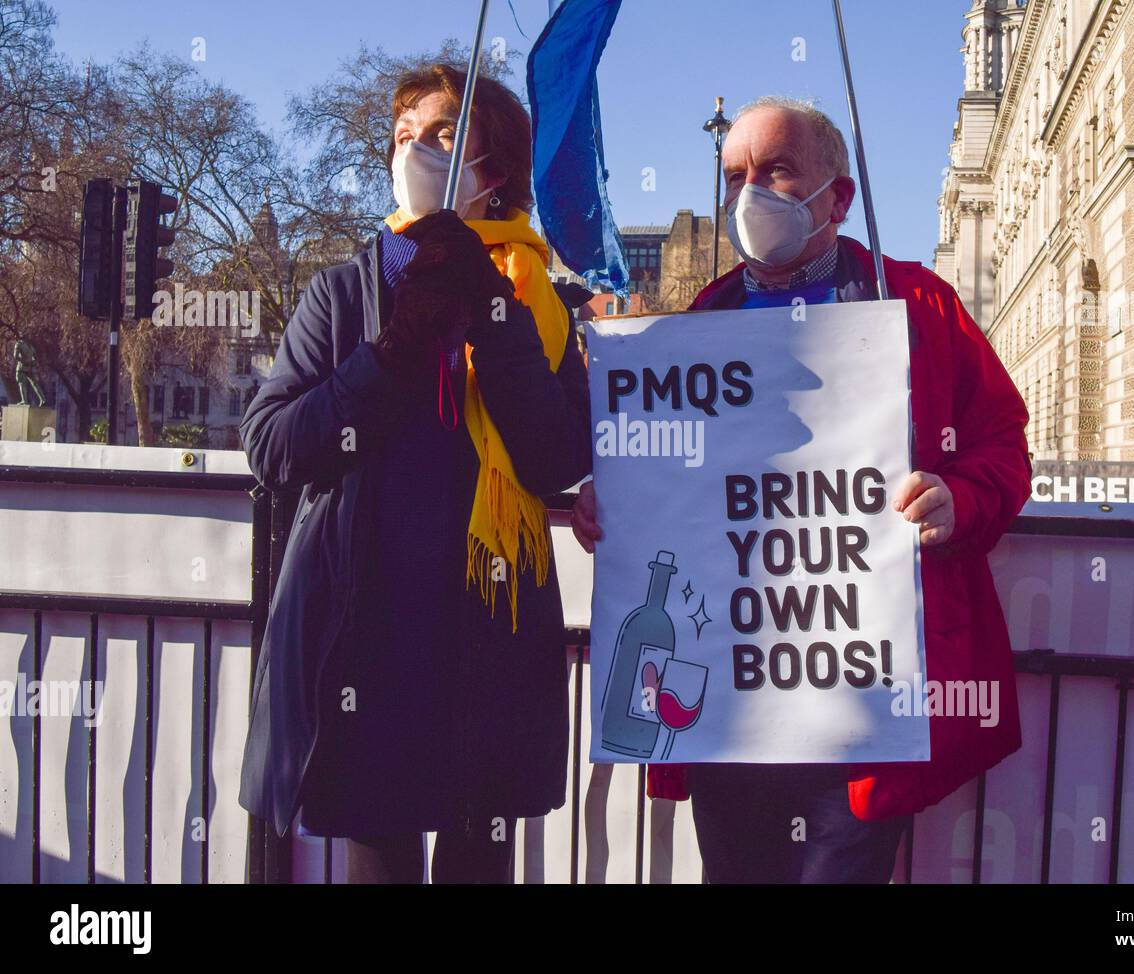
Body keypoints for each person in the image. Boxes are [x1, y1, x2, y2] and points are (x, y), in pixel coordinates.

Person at [571, 96, 1032, 884]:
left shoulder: (918, 304)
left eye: (776, 170)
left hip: (861, 704)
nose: (751, 193)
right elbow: (671, 472)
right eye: (735, 174)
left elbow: (1003, 450)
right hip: (731, 705)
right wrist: (613, 495)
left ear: (837, 197)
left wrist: (959, 499)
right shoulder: (703, 316)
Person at [238, 63, 592, 883]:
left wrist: (492, 318)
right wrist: (389, 355)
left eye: (440, 135)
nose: (414, 151)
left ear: (492, 169)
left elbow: (556, 458)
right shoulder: (342, 293)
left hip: (492, 628)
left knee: (480, 857)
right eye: (402, 137)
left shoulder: (541, 300)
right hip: (370, 628)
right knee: (379, 855)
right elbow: (274, 445)